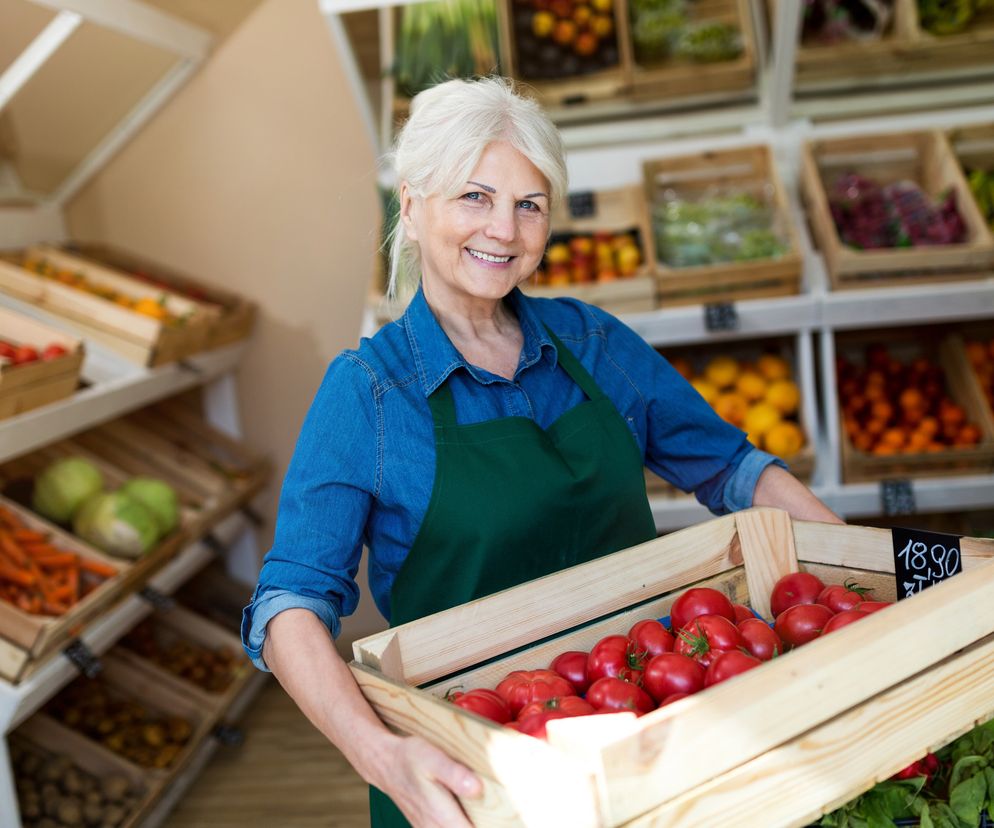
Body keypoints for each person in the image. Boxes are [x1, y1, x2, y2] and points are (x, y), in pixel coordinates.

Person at [241, 76, 842, 828]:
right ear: (413, 205)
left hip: (642, 716)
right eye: (474, 197)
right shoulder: (367, 393)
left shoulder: (589, 339)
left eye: (529, 205)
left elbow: (733, 469)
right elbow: (291, 604)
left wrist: (857, 577)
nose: (503, 229)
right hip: (468, 760)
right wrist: (381, 755)